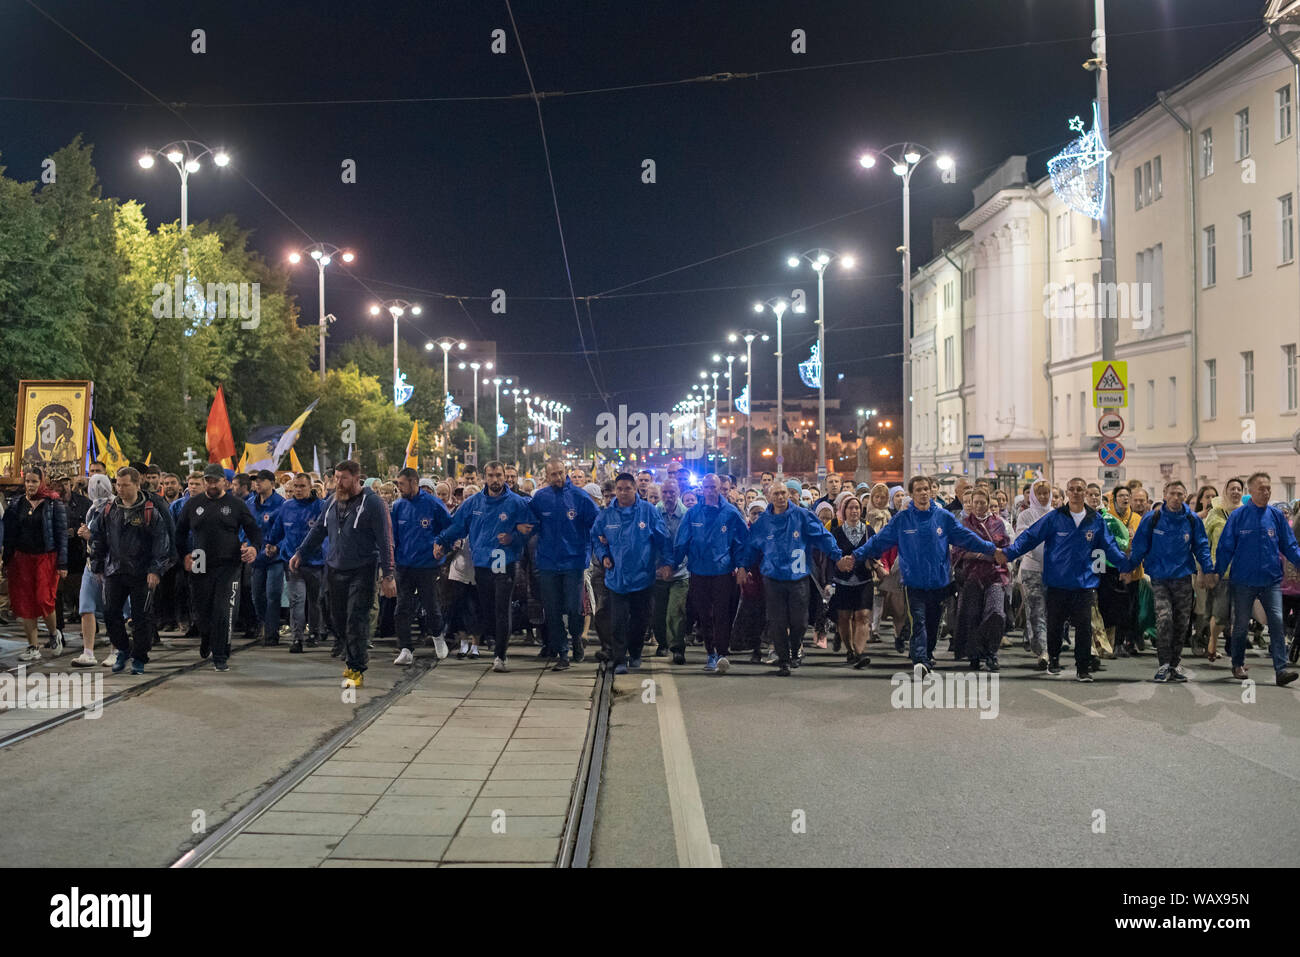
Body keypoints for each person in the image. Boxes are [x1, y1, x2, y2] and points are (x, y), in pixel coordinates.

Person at [852, 475, 997, 679]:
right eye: (918, 490)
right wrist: (856, 555)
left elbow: (966, 538)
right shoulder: (903, 519)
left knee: (933, 623)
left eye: (925, 489)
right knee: (918, 621)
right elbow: (878, 542)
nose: (923, 493)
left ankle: (927, 655)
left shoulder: (942, 517)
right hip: (914, 584)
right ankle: (920, 659)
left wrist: (991, 548)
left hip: (939, 583)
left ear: (930, 491)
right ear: (911, 494)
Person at [1001, 477, 1132, 682]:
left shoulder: (1095, 520)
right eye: (1072, 489)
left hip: (1084, 584)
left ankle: (1083, 668)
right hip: (1057, 582)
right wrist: (1008, 554)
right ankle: (1053, 658)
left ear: (1085, 492)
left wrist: (1126, 566)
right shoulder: (1054, 517)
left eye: (1080, 489)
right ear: (1067, 493)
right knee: (1055, 625)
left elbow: (1109, 547)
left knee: (1084, 627)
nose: (1076, 493)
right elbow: (1030, 537)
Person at [290, 460, 395, 687]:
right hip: (334, 568)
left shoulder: (373, 503)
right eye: (336, 477)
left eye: (343, 478)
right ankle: (348, 650)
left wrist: (388, 574)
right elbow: (318, 529)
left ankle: (355, 669)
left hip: (362, 569)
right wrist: (300, 553)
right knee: (335, 618)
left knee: (355, 619)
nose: (338, 482)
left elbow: (385, 541)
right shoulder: (331, 502)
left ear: (357, 479)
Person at [433, 461, 531, 673]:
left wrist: (514, 537)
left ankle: (500, 656)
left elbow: (531, 527)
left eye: (498, 475)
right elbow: (457, 526)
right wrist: (441, 541)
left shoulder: (517, 503)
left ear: (505, 477)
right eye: (490, 475)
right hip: (482, 564)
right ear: (483, 477)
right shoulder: (473, 503)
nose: (495, 480)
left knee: (502, 607)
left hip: (504, 562)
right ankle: (494, 640)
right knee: (488, 609)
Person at [741, 482, 843, 677]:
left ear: (788, 495)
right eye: (776, 494)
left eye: (783, 493)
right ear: (769, 497)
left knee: (799, 621)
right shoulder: (763, 522)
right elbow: (751, 547)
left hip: (798, 578)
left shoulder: (802, 516)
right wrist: (743, 567)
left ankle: (796, 647)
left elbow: (823, 536)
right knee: (777, 621)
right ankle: (784, 660)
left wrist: (837, 556)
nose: (780, 497)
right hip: (772, 578)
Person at [1214, 472, 1300, 686]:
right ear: (1250, 491)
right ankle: (1237, 664)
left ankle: (1281, 670)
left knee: (1277, 623)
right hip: (1243, 580)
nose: (1266, 492)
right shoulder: (1238, 517)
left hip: (1271, 580)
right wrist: (1216, 572)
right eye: (1261, 488)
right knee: (1241, 625)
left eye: (1269, 488)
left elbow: (1289, 545)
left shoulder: (1276, 516)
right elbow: (1225, 547)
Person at [1125, 480, 1215, 683]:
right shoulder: (1153, 518)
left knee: (1181, 623)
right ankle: (1164, 664)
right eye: (1172, 493)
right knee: (1164, 619)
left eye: (1180, 494)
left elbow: (1201, 546)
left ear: (1185, 496)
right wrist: (1128, 568)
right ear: (1165, 494)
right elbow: (1139, 546)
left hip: (1183, 578)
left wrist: (1208, 570)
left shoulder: (1191, 520)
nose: (1176, 498)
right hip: (1159, 578)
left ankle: (1175, 664)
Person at [174, 464, 261, 671]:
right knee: (202, 609)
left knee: (223, 610)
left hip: (228, 563)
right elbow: (178, 533)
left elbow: (254, 531)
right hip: (200, 559)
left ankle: (220, 655)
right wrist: (184, 555)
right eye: (208, 480)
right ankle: (207, 635)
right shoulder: (193, 504)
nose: (211, 484)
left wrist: (254, 548)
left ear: (225, 482)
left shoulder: (236, 505)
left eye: (215, 480)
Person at [90, 467, 172, 674]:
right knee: (110, 613)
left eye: (125, 485)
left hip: (142, 573)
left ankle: (139, 658)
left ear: (137, 484)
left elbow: (161, 542)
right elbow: (98, 537)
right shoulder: (110, 509)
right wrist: (97, 565)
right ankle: (123, 649)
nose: (121, 489)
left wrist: (155, 570)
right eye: (118, 484)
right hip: (114, 571)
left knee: (141, 617)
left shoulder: (150, 511)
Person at [522, 458, 598, 671]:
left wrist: (596, 549)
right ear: (546, 476)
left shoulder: (580, 497)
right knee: (552, 610)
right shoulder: (541, 498)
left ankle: (576, 639)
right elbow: (530, 524)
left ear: (566, 472)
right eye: (553, 474)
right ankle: (563, 652)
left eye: (561, 473)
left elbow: (596, 523)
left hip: (573, 563)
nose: (558, 477)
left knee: (574, 608)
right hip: (547, 563)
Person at [590, 473, 671, 675]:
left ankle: (635, 652)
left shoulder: (648, 512)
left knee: (640, 620)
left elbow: (663, 539)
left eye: (628, 488)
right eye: (620, 489)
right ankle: (619, 659)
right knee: (617, 621)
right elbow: (596, 538)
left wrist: (667, 563)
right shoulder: (607, 515)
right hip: (616, 578)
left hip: (643, 578)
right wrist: (603, 556)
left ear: (635, 489)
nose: (623, 492)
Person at [668, 473, 747, 674]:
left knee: (722, 614)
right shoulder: (693, 514)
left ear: (721, 488)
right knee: (704, 614)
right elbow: (682, 542)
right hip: (698, 572)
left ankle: (722, 653)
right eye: (707, 487)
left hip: (723, 572)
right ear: (702, 489)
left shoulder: (731, 513)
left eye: (714, 487)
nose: (711, 491)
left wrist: (742, 566)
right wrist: (673, 565)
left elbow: (741, 543)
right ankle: (710, 652)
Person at [3, 466, 68, 661]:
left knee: (44, 598)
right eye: (28, 481)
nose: (30, 485)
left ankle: (53, 632)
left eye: (34, 481)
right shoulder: (16, 504)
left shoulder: (53, 503)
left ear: (42, 482)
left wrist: (62, 564)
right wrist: (6, 560)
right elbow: (9, 535)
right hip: (21, 559)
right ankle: (32, 646)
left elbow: (61, 535)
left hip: (45, 557)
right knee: (24, 602)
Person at [390, 467, 452, 665]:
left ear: (414, 482)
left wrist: (442, 546)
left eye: (402, 484)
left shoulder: (434, 504)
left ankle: (437, 637)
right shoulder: (398, 506)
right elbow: (392, 536)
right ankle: (406, 648)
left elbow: (449, 528)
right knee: (402, 608)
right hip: (403, 565)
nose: (399, 487)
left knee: (430, 605)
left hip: (427, 565)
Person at [951, 486, 1011, 672]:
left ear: (988, 504)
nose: (978, 506)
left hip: (994, 576)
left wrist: (999, 556)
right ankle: (974, 654)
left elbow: (1005, 548)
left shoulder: (998, 524)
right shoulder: (964, 525)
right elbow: (957, 551)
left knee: (996, 613)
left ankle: (991, 651)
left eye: (982, 503)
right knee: (972, 615)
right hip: (972, 577)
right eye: (974, 502)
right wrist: (978, 555)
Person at [267, 472, 327, 654]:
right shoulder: (286, 507)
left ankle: (314, 633)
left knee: (315, 601)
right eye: (296, 487)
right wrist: (272, 545)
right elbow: (277, 532)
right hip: (292, 564)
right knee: (296, 601)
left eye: (302, 486)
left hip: (316, 563)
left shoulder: (321, 507)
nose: (298, 490)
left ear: (311, 488)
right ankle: (297, 638)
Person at [71, 473, 114, 666]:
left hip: (110, 565)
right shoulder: (92, 510)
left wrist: (90, 537)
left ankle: (117, 649)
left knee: (113, 609)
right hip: (91, 564)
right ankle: (88, 651)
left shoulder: (114, 509)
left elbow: (114, 540)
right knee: (86, 607)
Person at [1203, 477, 1244, 662]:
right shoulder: (1215, 514)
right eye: (1232, 488)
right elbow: (1204, 541)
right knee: (1220, 615)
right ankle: (1213, 639)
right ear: (1225, 492)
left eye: (1238, 489)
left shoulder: (1246, 514)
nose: (1235, 491)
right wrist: (1204, 570)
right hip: (1220, 572)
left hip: (1243, 573)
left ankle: (1237, 658)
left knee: (1239, 616)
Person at [830, 495, 874, 666]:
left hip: (864, 580)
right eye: (850, 508)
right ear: (843, 511)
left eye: (857, 507)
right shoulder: (836, 533)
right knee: (844, 617)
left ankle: (860, 652)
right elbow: (831, 555)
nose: (854, 511)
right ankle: (849, 649)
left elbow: (876, 549)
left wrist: (874, 562)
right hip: (843, 582)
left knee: (863, 616)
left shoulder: (869, 531)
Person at [245, 469, 286, 646]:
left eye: (261, 480)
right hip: (256, 557)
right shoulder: (249, 504)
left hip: (274, 557)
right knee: (256, 596)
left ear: (272, 482)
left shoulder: (281, 504)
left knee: (272, 594)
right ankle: (264, 623)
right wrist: (243, 543)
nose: (257, 483)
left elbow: (287, 531)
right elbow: (243, 527)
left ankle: (271, 633)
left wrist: (278, 547)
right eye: (255, 481)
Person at [1015, 479, 1053, 669]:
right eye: (1040, 494)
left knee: (1052, 612)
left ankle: (1052, 648)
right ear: (1032, 496)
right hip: (1032, 569)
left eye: (1046, 493)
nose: (1043, 497)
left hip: (1054, 571)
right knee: (1035, 610)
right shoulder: (1025, 515)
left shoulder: (1057, 515)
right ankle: (1042, 650)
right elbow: (1023, 540)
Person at [654, 479, 690, 664]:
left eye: (672, 493)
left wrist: (673, 565)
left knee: (676, 612)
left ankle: (677, 647)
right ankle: (662, 643)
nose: (668, 496)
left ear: (678, 492)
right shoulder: (654, 513)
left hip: (680, 572)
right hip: (657, 572)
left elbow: (686, 544)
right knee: (658, 612)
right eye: (665, 492)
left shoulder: (686, 514)